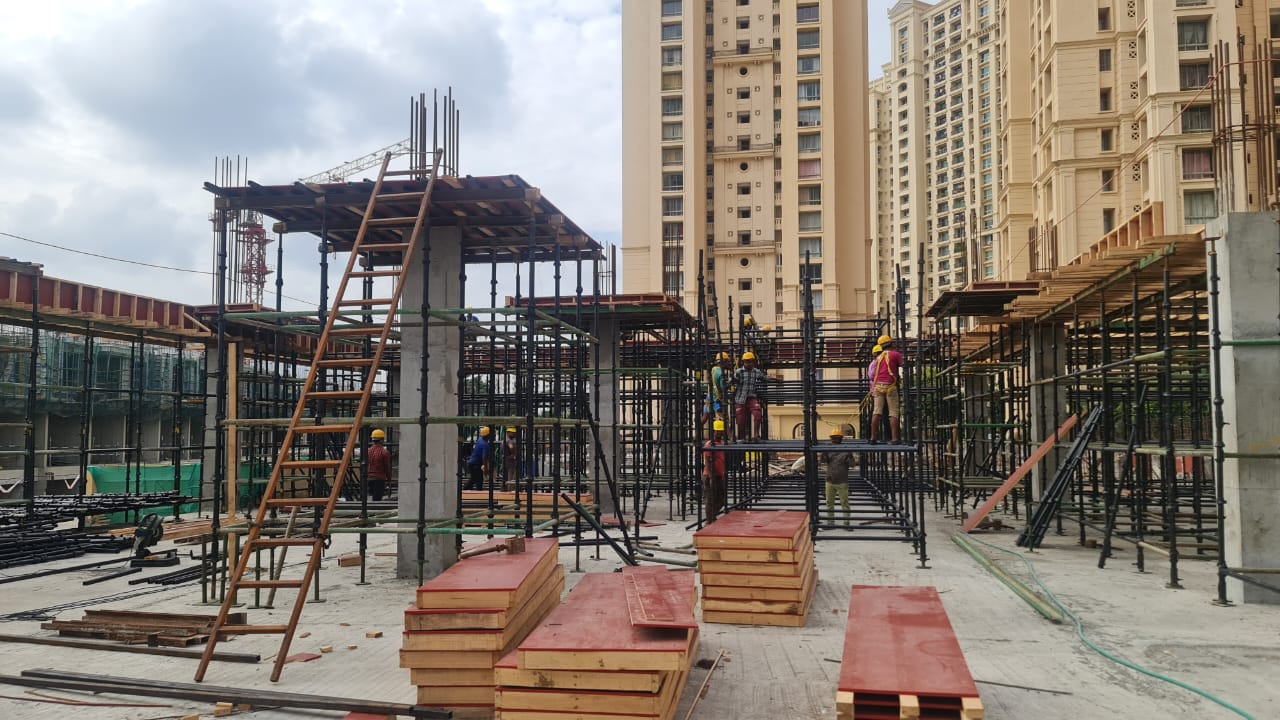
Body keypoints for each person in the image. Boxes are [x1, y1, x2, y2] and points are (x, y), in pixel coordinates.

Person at [868, 334, 904, 444]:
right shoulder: (895, 354)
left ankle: (872, 438)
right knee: (893, 413)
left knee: (876, 412)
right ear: (891, 344)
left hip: (878, 386)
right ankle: (894, 439)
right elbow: (903, 365)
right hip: (891, 386)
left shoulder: (877, 358)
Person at [732, 351, 768, 442]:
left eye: (751, 361)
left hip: (751, 397)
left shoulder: (756, 371)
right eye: (747, 362)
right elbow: (733, 381)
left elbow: (764, 378)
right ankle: (741, 438)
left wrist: (774, 379)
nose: (749, 364)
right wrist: (733, 380)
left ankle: (756, 436)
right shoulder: (739, 371)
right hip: (740, 398)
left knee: (757, 414)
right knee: (740, 419)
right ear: (743, 362)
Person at [821, 428, 853, 523]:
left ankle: (846, 523)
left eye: (837, 438)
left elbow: (852, 464)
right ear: (831, 439)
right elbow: (823, 461)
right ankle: (830, 522)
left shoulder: (846, 450)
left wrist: (850, 457)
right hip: (830, 479)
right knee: (829, 503)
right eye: (833, 438)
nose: (835, 440)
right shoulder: (828, 449)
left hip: (842, 481)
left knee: (844, 503)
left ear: (841, 439)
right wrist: (823, 453)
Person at [702, 420, 728, 522]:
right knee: (710, 500)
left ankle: (711, 517)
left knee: (721, 499)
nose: (719, 433)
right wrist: (711, 477)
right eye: (717, 431)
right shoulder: (709, 444)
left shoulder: (721, 444)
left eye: (720, 431)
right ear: (713, 431)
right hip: (710, 476)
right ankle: (709, 520)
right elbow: (708, 462)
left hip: (719, 476)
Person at [365, 428, 392, 501]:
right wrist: (389, 480)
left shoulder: (368, 451)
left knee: (368, 499)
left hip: (368, 478)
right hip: (379, 479)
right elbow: (386, 467)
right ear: (382, 440)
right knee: (377, 500)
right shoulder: (384, 452)